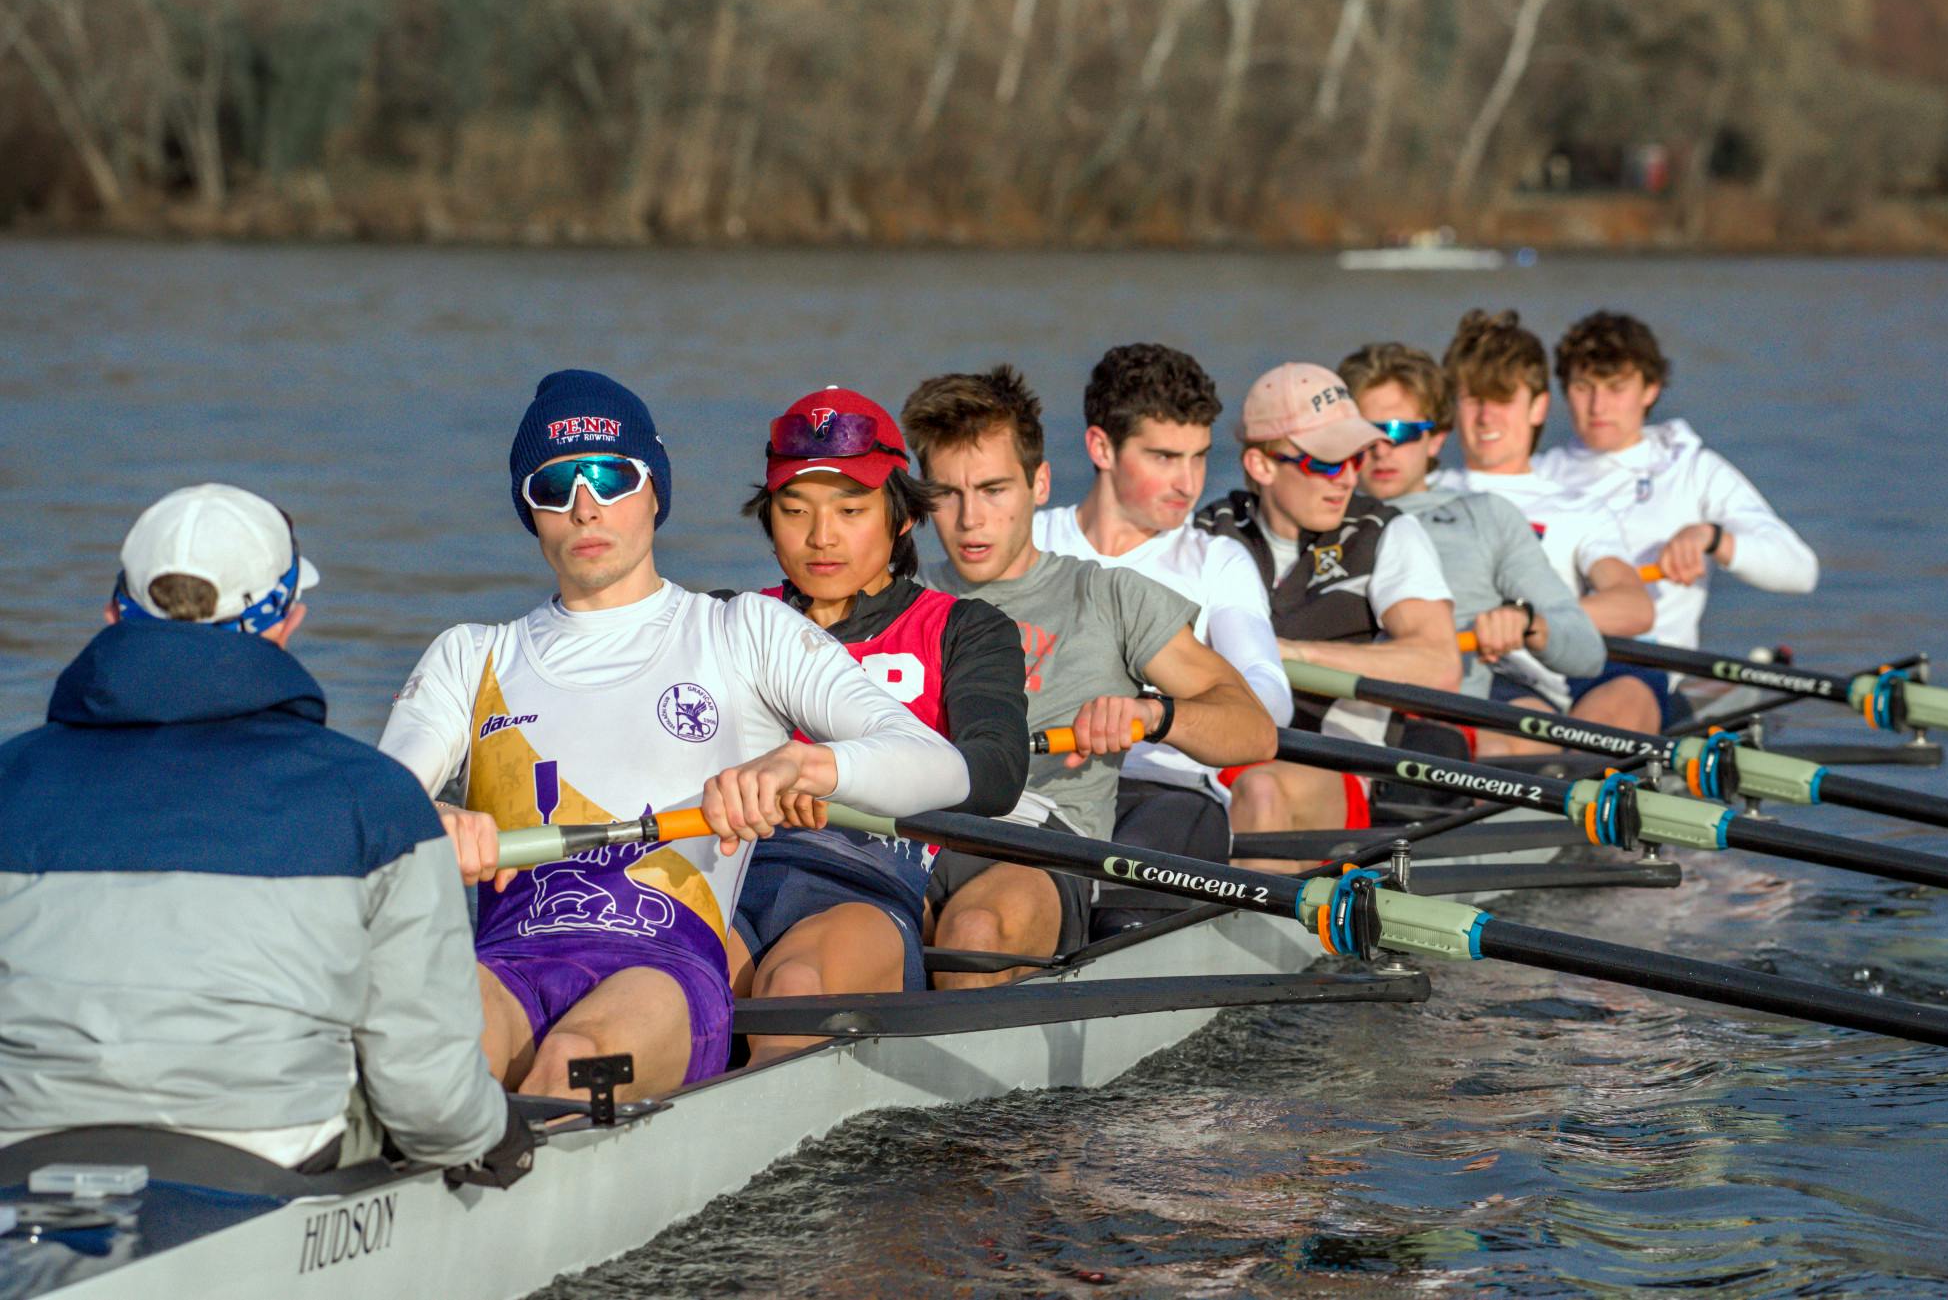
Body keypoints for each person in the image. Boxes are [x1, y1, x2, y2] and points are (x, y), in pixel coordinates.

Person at [379, 371, 969, 1101]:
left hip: (664, 971)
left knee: (570, 1059)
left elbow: (940, 767)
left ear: (654, 489)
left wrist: (806, 768)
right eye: (554, 485)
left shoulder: (738, 632)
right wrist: (426, 820)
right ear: (529, 510)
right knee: (416, 1049)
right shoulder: (471, 655)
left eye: (608, 475)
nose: (586, 507)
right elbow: (373, 803)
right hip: (504, 961)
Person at [0, 484, 518, 1179]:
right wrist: (496, 1130)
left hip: (21, 1151)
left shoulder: (11, 778)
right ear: (286, 622)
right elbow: (432, 1103)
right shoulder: (376, 800)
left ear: (114, 613)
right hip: (271, 1161)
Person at [902, 365, 1276, 976]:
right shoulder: (898, 595)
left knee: (974, 931)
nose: (970, 520)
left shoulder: (1109, 598)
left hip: (1040, 840)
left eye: (994, 490)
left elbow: (1254, 731)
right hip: (906, 830)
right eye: (947, 494)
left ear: (1039, 484)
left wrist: (1151, 714)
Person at [730, 387, 1028, 1061]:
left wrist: (843, 780)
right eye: (794, 510)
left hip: (867, 884)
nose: (820, 536)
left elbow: (996, 772)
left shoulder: (964, 629)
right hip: (733, 872)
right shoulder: (728, 619)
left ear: (900, 519)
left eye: (850, 510)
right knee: (658, 976)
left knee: (790, 988)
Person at [1032, 344, 1291, 917]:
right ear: (1101, 447)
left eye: (1199, 457)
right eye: (1165, 458)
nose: (1189, 483)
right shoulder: (1029, 542)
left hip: (1166, 793)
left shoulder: (1217, 562)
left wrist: (1151, 713)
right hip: (1037, 793)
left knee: (1113, 909)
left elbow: (1269, 697)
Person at [1193, 363, 1459, 843]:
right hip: (1213, 756)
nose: (1347, 479)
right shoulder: (1210, 531)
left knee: (1262, 790)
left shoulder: (1386, 532)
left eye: (1356, 458)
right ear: (1262, 465)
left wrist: (1292, 654)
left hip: (1336, 766)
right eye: (1328, 462)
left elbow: (1439, 664)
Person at [1343, 341, 1607, 754]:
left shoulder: (1485, 517)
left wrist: (1526, 623)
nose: (1381, 449)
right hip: (1344, 723)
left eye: (1399, 431)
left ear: (1435, 439)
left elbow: (1587, 652)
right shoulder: (1319, 518)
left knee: (1509, 747)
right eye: (1365, 433)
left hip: (1449, 728)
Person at [1432, 310, 1661, 732]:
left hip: (1530, 684)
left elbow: (1634, 606)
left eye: (1501, 399)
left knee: (1627, 699)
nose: (1486, 417)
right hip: (1430, 673)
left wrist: (1524, 620)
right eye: (1473, 398)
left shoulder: (1578, 510)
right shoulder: (1424, 491)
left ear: (1538, 407)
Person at [1543, 309, 1819, 659]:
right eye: (1584, 388)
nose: (1598, 406)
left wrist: (1712, 538)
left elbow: (1800, 571)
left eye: (1616, 388)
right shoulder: (1538, 474)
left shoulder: (1693, 470)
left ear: (1650, 390)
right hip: (1546, 665)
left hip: (1650, 669)